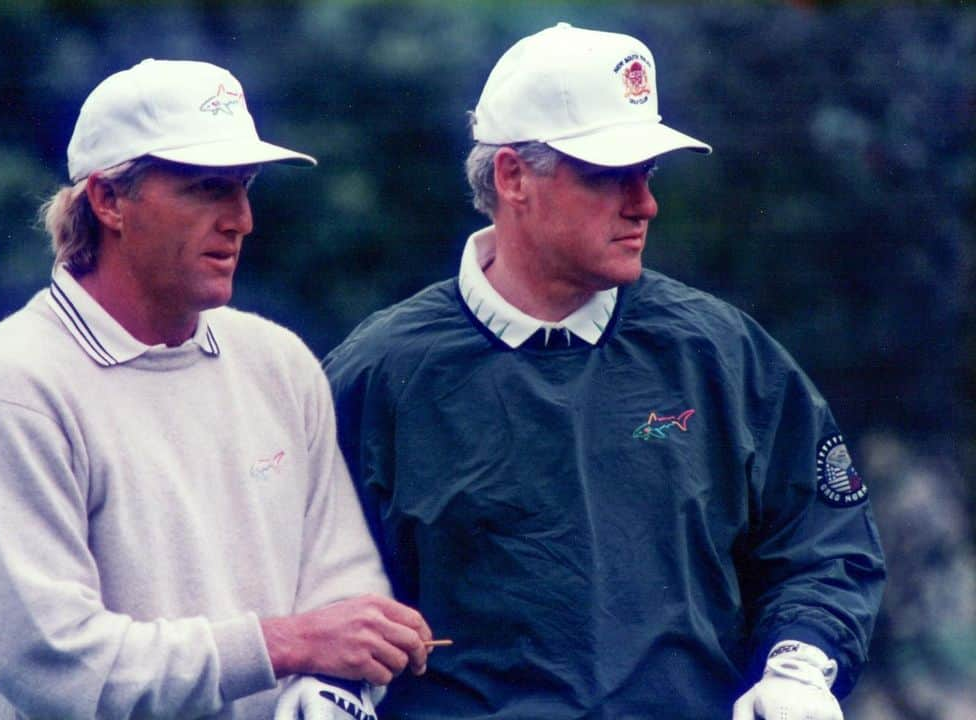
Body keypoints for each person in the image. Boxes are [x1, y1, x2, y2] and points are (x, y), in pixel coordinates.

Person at [323, 23, 886, 720]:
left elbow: (823, 544)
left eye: (646, 174)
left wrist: (799, 665)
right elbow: (302, 587)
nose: (644, 203)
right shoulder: (377, 377)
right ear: (512, 176)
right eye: (608, 176)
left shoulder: (721, 353)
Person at [0, 58, 434, 719]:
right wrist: (287, 645)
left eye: (244, 188)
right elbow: (55, 665)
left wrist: (326, 695)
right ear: (107, 200)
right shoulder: (8, 391)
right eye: (207, 188)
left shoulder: (278, 363)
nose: (241, 219)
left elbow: (345, 600)